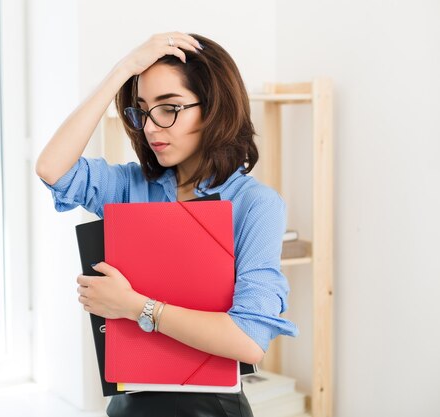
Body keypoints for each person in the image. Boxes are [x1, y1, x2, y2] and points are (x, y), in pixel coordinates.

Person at [36, 32, 299, 417]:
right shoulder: (131, 185)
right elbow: (51, 168)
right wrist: (121, 71)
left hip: (210, 408)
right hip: (128, 404)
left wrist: (136, 307)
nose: (152, 127)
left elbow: (248, 339)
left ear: (213, 109)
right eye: (142, 110)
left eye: (169, 108)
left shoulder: (255, 204)